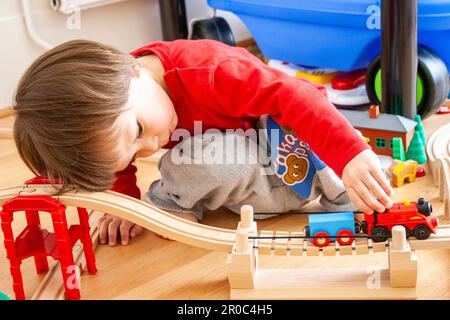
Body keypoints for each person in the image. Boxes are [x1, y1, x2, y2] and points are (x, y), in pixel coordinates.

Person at [12, 39, 393, 246]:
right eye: (128, 155)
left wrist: (351, 154)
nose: (147, 150)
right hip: (233, 157)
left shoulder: (212, 71)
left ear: (131, 70)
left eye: (139, 131)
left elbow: (293, 96)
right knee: (202, 162)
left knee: (325, 152)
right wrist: (124, 201)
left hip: (271, 134)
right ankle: (175, 199)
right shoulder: (121, 108)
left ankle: (178, 196)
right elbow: (118, 154)